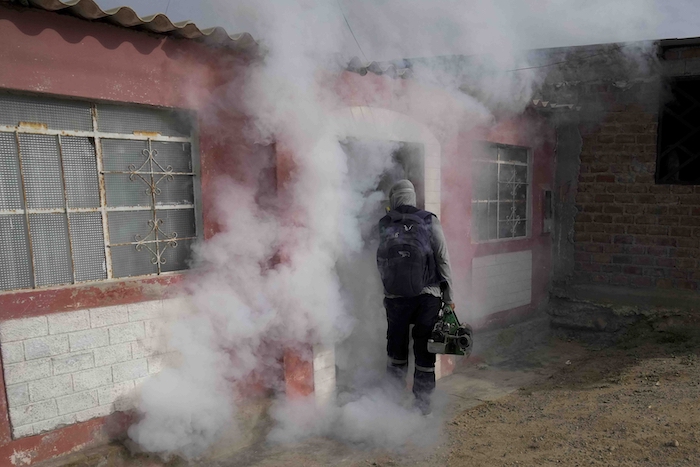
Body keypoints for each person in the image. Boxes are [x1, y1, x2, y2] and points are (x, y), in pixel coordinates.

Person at [377, 179, 454, 415]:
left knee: (396, 351)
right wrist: (448, 295)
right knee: (424, 351)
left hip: (396, 298)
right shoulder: (429, 219)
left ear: (394, 198)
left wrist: (389, 289)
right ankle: (422, 407)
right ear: (412, 197)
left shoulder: (385, 222)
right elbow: (442, 258)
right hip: (427, 296)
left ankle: (392, 403)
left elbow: (380, 260)